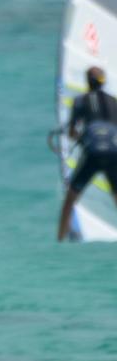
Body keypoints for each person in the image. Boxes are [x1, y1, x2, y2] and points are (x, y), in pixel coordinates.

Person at [57, 66, 117, 241]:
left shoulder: (79, 101)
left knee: (69, 200)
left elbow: (71, 133)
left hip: (92, 152)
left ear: (87, 82)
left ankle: (60, 241)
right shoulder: (114, 101)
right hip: (113, 152)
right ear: (103, 82)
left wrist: (83, 137)